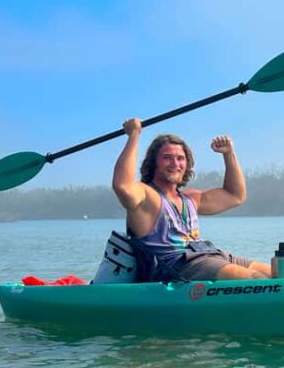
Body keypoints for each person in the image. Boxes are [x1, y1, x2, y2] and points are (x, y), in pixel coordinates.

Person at [113, 118, 271, 282]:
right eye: (167, 157)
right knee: (257, 280)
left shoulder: (191, 199)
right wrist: (134, 135)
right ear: (154, 163)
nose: (175, 163)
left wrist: (229, 153)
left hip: (212, 255)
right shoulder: (147, 196)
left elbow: (235, 196)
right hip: (177, 266)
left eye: (180, 158)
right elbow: (123, 185)